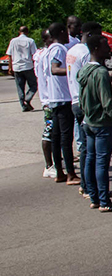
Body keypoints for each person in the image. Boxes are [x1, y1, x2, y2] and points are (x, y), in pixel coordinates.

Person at [77, 33, 112, 212]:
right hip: (101, 124)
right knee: (101, 163)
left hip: (88, 121)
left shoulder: (84, 70)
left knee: (90, 158)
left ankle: (94, 197)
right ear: (96, 48)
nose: (109, 49)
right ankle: (104, 201)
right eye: (105, 46)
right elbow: (107, 102)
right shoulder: (101, 73)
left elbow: (81, 98)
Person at [67, 22, 100, 199]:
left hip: (74, 100)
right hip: (85, 103)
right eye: (98, 35)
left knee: (85, 149)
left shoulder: (72, 51)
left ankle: (85, 185)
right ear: (89, 34)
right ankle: (89, 187)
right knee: (90, 149)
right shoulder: (86, 53)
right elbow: (92, 77)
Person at [45, 23, 80, 185]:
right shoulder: (59, 49)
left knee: (57, 136)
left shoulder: (48, 49)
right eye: (66, 32)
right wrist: (72, 70)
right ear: (60, 33)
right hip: (63, 98)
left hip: (53, 97)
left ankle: (59, 171)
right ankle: (71, 174)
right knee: (66, 137)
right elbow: (54, 69)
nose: (68, 36)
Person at [35, 30, 54, 177]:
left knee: (55, 132)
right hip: (49, 99)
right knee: (49, 130)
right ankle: (48, 166)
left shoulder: (40, 54)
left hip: (48, 98)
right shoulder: (46, 55)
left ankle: (55, 162)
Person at [7, 27, 38, 111]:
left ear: (19, 32)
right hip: (28, 66)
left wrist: (10, 67)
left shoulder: (13, 41)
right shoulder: (30, 41)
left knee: (20, 87)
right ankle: (28, 98)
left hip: (16, 66)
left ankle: (23, 105)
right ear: (27, 32)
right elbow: (34, 54)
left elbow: (10, 55)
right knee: (34, 85)